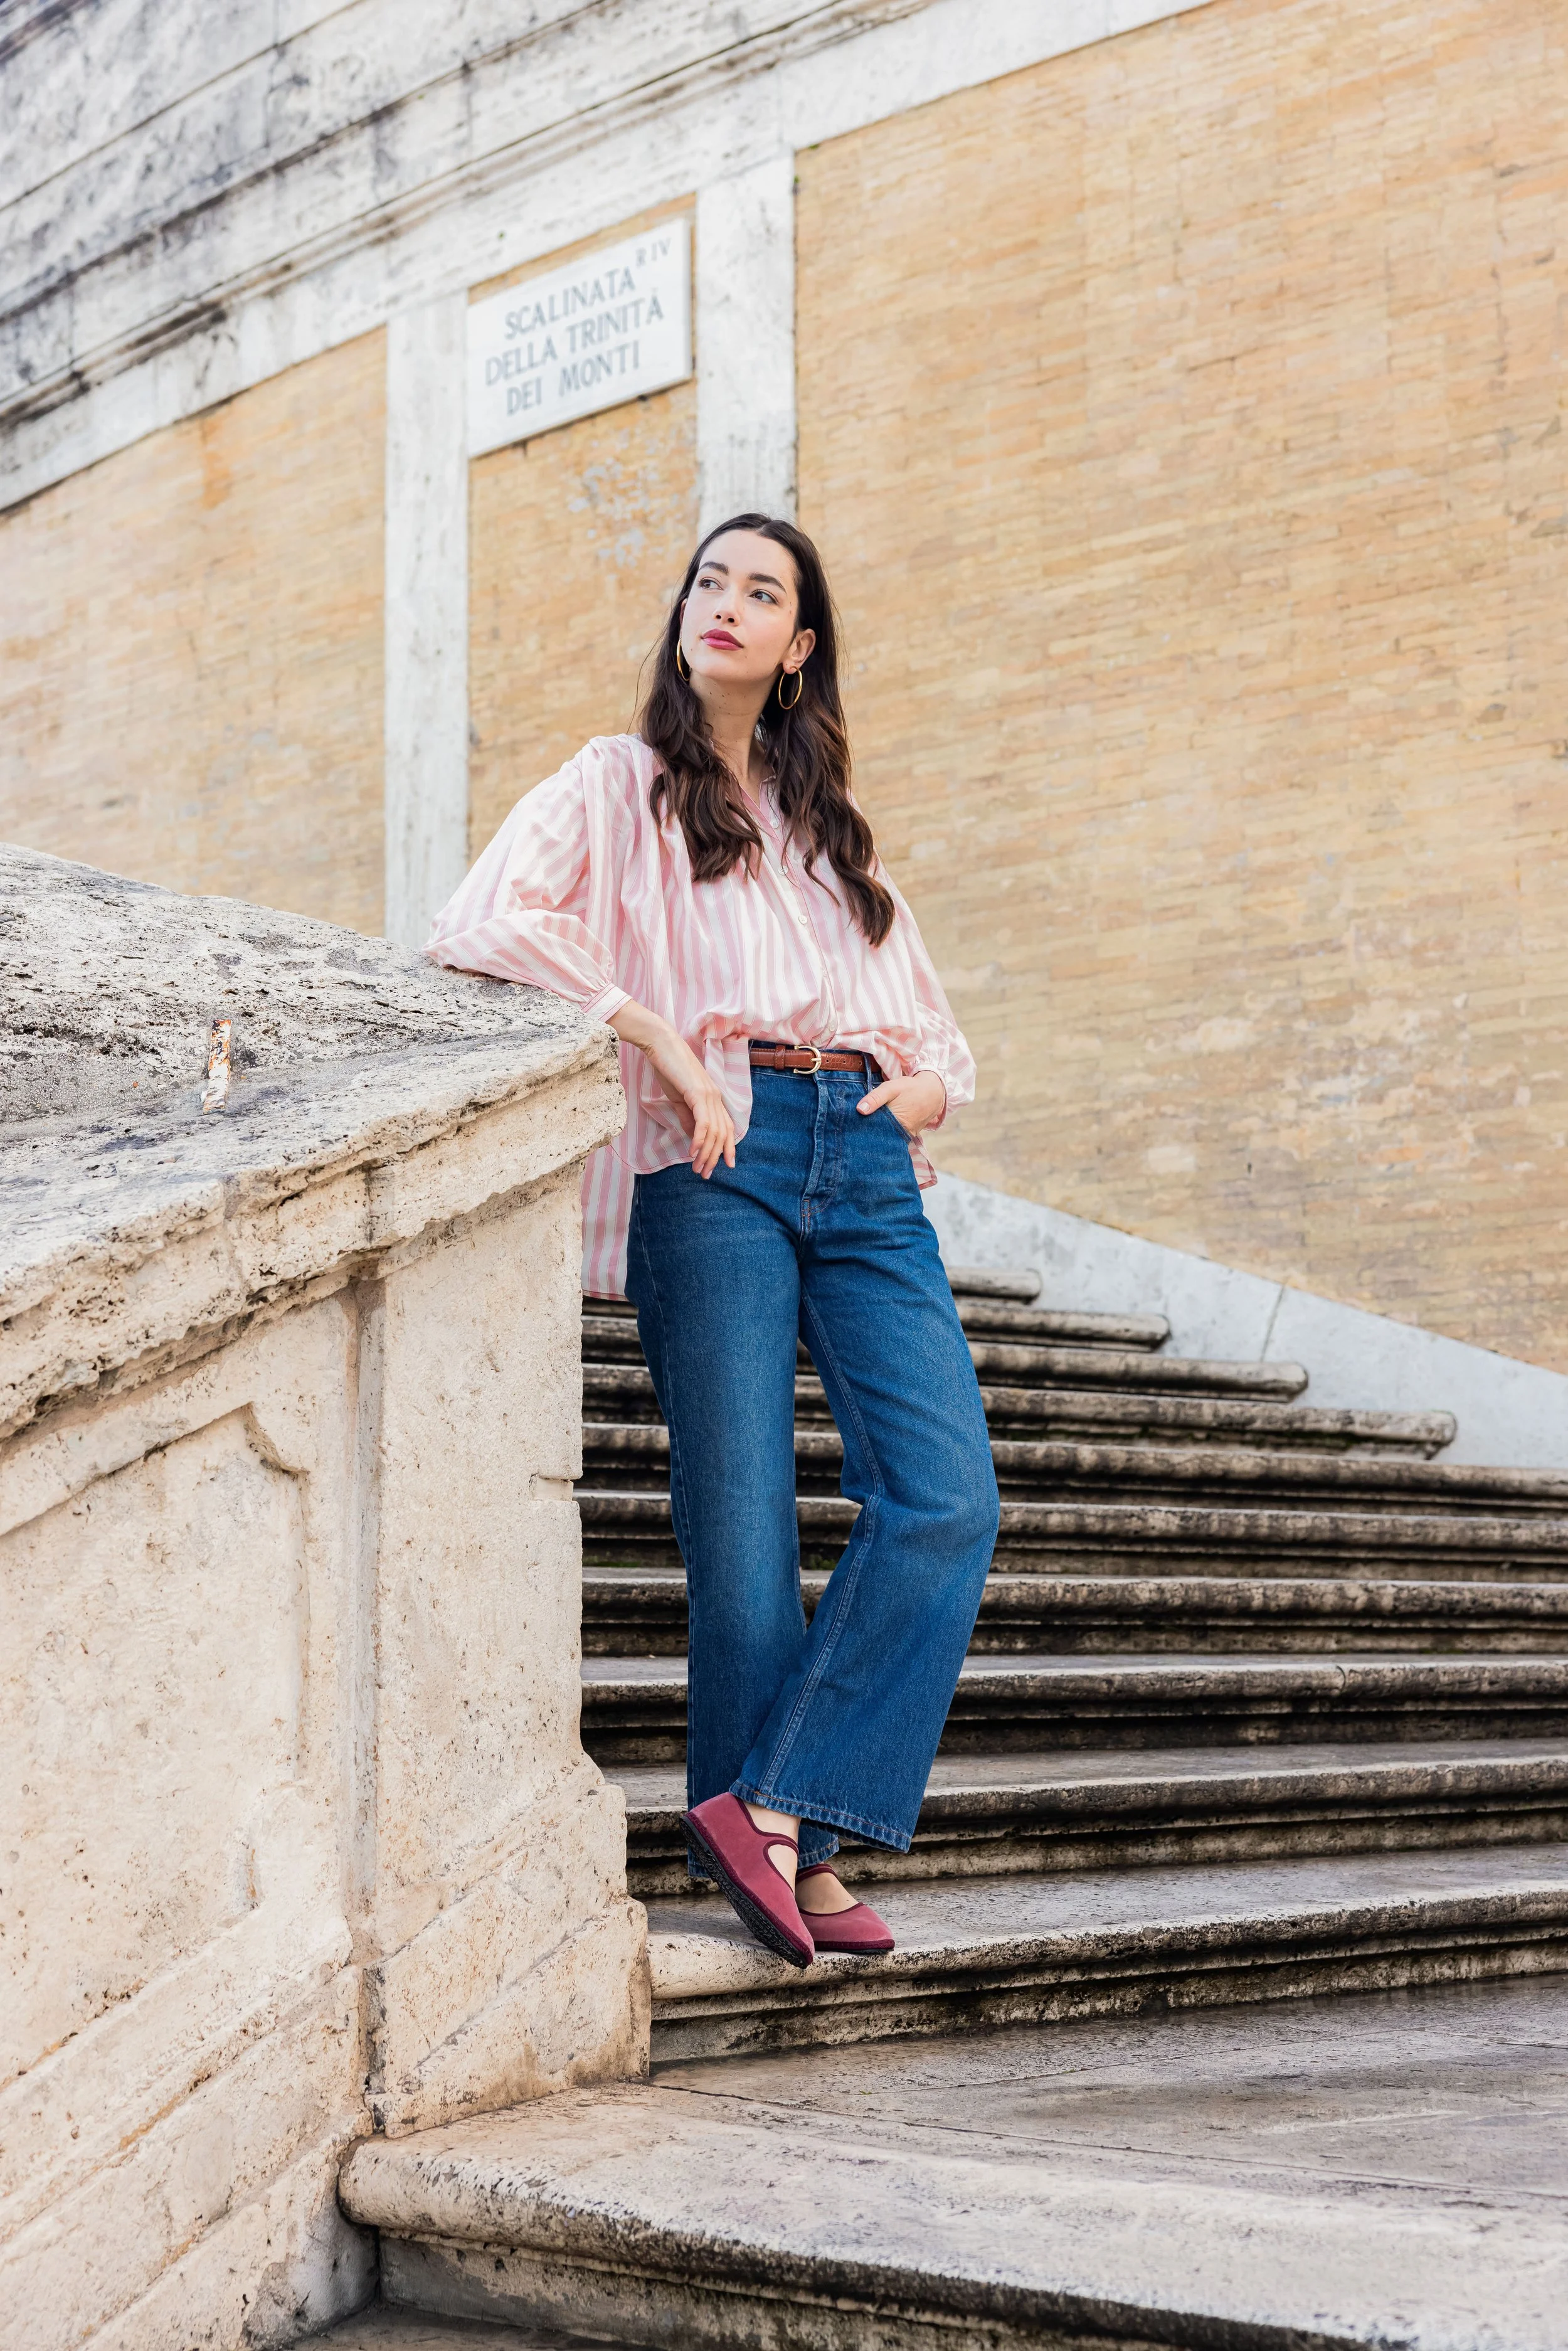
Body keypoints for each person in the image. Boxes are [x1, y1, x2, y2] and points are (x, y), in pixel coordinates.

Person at [428, 513, 1000, 1967]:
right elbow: (489, 920)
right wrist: (657, 1045)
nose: (728, 605)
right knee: (740, 1530)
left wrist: (907, 1094)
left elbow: (937, 1038)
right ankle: (788, 1859)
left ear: (799, 643)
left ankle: (778, 1804)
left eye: (764, 591)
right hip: (712, 1158)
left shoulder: (831, 834)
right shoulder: (618, 785)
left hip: (858, 1158)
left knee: (944, 1495)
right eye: (710, 582)